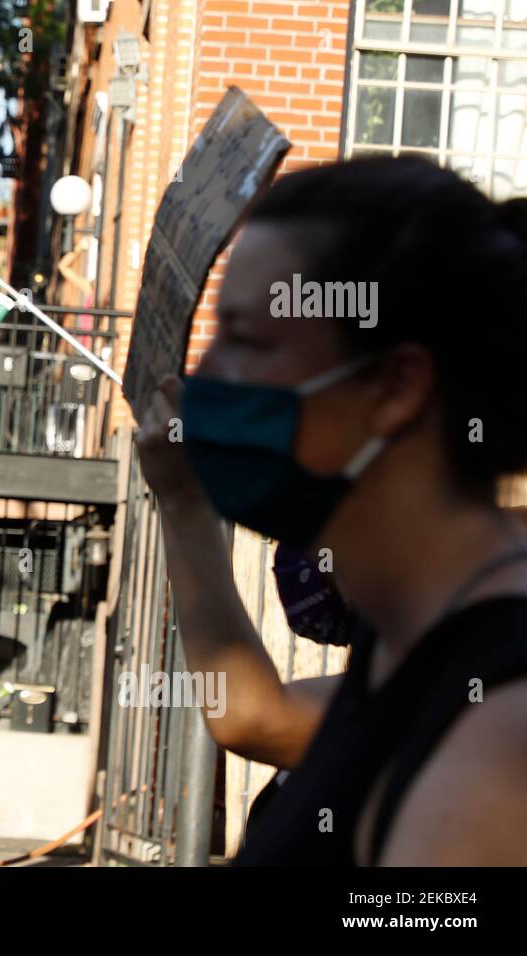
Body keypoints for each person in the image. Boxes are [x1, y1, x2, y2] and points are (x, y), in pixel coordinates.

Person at [135, 156, 527, 865]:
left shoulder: (500, 730)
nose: (205, 374)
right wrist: (184, 502)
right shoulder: (414, 640)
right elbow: (256, 716)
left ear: (396, 384)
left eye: (246, 340)